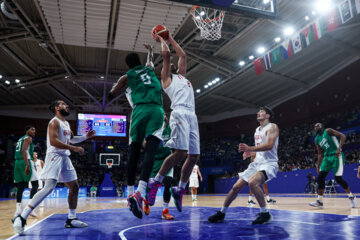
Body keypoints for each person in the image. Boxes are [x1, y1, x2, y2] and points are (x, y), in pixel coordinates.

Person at [12, 100, 96, 234]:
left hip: (64, 157)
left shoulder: (66, 123)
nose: (67, 106)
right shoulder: (54, 122)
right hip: (54, 156)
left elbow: (72, 139)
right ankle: (22, 217)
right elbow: (53, 141)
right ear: (57, 108)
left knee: (74, 187)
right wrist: (74, 148)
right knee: (49, 188)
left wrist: (86, 136)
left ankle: (71, 218)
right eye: (63, 104)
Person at [146, 30, 200, 213]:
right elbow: (167, 55)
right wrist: (162, 39)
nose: (177, 66)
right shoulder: (167, 80)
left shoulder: (183, 78)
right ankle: (156, 181)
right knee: (180, 153)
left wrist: (170, 38)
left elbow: (182, 55)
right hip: (179, 113)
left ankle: (180, 188)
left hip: (192, 115)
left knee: (194, 156)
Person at [108, 44, 164, 219]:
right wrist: (149, 52)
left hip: (139, 111)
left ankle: (130, 193)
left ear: (129, 66)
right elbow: (150, 62)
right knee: (151, 152)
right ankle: (140, 191)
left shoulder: (128, 75)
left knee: (133, 153)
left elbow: (116, 89)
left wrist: (111, 94)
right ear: (140, 62)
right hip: (157, 111)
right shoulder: (149, 69)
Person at [208, 106, 279, 225]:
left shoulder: (272, 127)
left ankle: (265, 213)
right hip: (257, 163)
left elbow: (269, 146)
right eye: (258, 111)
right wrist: (251, 152)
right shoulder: (257, 130)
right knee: (236, 187)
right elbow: (261, 148)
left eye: (261, 112)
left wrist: (250, 147)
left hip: (269, 164)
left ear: (268, 116)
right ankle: (222, 213)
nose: (258, 113)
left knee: (253, 182)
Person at [309, 123, 356, 209]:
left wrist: (339, 149)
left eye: (317, 126)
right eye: (314, 126)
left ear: (322, 127)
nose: (315, 127)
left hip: (337, 156)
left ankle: (351, 196)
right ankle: (320, 201)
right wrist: (318, 166)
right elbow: (320, 154)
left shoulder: (328, 131)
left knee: (338, 179)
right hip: (327, 158)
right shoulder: (317, 139)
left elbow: (343, 136)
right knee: (320, 177)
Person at [144, 115, 175, 220]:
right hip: (156, 160)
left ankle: (165, 212)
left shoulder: (170, 129)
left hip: (168, 159)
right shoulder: (154, 130)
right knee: (152, 185)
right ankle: (147, 202)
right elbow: (145, 143)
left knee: (168, 184)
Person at [12, 126, 36, 221]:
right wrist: (27, 164)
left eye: (35, 130)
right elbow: (24, 151)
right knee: (35, 184)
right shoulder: (28, 138)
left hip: (17, 162)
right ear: (27, 131)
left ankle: (18, 210)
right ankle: (29, 209)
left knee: (21, 186)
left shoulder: (20, 139)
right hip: (25, 161)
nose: (34, 131)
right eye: (32, 129)